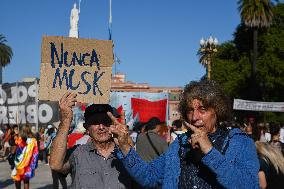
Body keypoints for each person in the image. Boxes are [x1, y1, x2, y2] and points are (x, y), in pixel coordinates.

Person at [109, 80, 260, 189]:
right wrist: (125, 147)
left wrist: (210, 152)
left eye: (202, 109)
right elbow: (149, 176)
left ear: (217, 110)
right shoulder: (179, 145)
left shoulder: (239, 142)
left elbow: (249, 185)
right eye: (190, 110)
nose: (194, 117)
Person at [49, 92, 138, 189]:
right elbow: (55, 165)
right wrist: (65, 120)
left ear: (113, 124)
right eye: (95, 122)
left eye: (105, 121)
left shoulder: (125, 154)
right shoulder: (77, 153)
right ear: (86, 128)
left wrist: (125, 144)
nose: (101, 127)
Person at [11, 125, 39, 189]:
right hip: (28, 164)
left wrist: (15, 135)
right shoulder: (34, 140)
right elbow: (36, 153)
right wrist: (34, 164)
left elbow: (13, 150)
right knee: (26, 181)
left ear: (22, 131)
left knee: (17, 179)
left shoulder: (19, 139)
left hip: (19, 164)